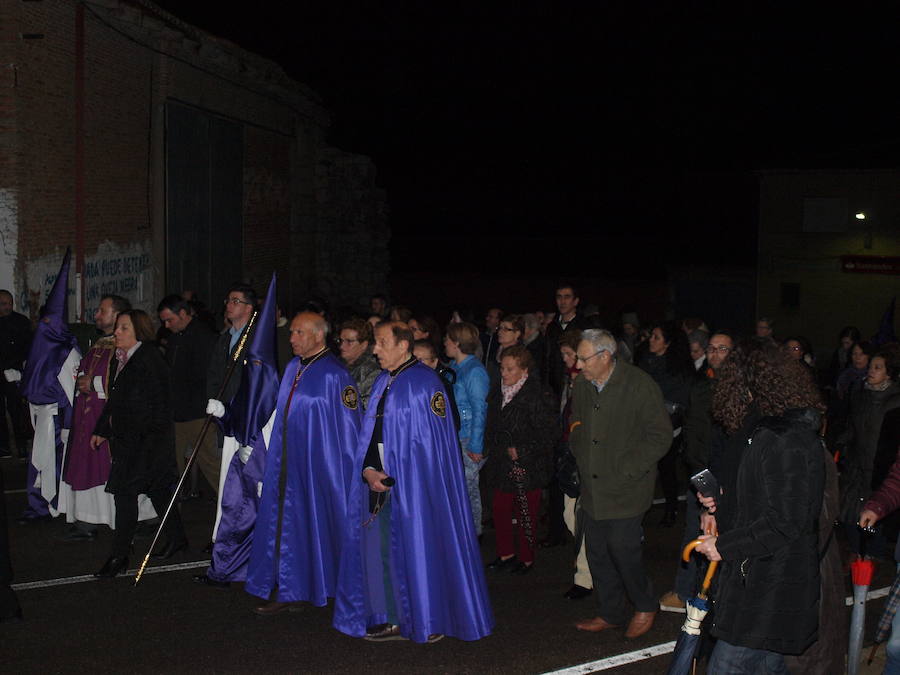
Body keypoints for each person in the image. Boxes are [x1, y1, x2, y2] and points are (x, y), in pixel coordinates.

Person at [333, 321, 494, 643]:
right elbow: (371, 433)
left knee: (422, 547)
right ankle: (392, 617)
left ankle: (430, 618)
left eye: (381, 342)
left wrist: (398, 477)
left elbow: (431, 448)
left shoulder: (424, 384)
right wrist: (367, 469)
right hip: (379, 482)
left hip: (418, 488)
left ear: (403, 346)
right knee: (382, 552)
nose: (375, 349)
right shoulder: (383, 381)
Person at [694, 339, 826, 672]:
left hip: (771, 584)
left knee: (728, 666)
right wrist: (718, 508)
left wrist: (723, 545)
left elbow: (785, 521)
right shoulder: (765, 432)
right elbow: (757, 500)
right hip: (759, 578)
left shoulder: (785, 439)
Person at [244, 312, 361, 615]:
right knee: (285, 524)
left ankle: (331, 586)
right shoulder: (294, 366)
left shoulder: (336, 375)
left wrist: (344, 473)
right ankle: (290, 588)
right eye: (292, 332)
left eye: (299, 333)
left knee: (319, 524)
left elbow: (349, 429)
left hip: (320, 468)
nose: (292, 338)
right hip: (287, 463)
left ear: (319, 336)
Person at [570, 329, 671, 639]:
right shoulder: (582, 384)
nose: (577, 365)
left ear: (604, 356)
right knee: (597, 554)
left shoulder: (639, 385)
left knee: (623, 552)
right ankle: (611, 612)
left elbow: (660, 435)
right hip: (592, 489)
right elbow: (575, 423)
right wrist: (580, 452)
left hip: (626, 489)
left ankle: (645, 603)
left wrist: (628, 469)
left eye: (583, 358)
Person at [91, 310, 188, 578]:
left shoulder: (149, 359)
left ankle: (119, 555)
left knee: (125, 495)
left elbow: (159, 405)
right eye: (117, 328)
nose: (117, 333)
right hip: (129, 440)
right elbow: (115, 399)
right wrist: (101, 429)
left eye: (123, 328)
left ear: (138, 331)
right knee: (157, 491)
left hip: (146, 442)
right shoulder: (120, 359)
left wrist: (146, 440)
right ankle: (177, 538)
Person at [659, 330, 735, 612]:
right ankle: (686, 591)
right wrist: (696, 469)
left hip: (723, 474)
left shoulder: (738, 391)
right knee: (696, 532)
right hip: (702, 472)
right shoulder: (701, 385)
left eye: (722, 349)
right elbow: (692, 431)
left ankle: (708, 595)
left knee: (718, 533)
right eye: (712, 349)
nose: (715, 354)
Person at [59, 294, 143, 540]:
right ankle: (89, 519)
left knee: (114, 470)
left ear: (117, 315)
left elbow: (127, 381)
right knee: (88, 467)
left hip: (112, 422)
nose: (96, 315)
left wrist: (92, 384)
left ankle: (138, 520)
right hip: (89, 418)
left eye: (102, 311)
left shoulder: (128, 346)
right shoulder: (99, 344)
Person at [483, 345, 557, 575]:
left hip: (526, 464)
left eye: (510, 369)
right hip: (500, 461)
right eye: (502, 368)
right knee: (500, 509)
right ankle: (506, 554)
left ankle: (526, 558)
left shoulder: (537, 395)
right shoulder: (498, 390)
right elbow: (491, 423)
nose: (504, 373)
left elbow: (550, 433)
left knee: (525, 512)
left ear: (524, 370)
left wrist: (523, 450)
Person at [839, 348, 900, 556]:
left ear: (889, 372)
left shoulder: (895, 402)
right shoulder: (859, 396)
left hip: (881, 468)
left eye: (878, 367)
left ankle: (875, 558)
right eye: (871, 367)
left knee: (878, 522)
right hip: (856, 468)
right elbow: (850, 429)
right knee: (852, 515)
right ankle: (860, 556)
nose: (871, 371)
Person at [158, 295, 219, 500]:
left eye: (170, 320)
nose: (166, 326)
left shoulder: (203, 337)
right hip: (178, 413)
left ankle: (235, 510)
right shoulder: (176, 338)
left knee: (210, 463)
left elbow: (207, 376)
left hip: (197, 412)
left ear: (183, 314)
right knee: (173, 464)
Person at [637, 321, 693, 527]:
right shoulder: (645, 362)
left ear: (667, 343)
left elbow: (679, 402)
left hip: (668, 428)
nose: (651, 340)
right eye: (652, 336)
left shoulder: (678, 368)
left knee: (667, 468)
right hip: (643, 426)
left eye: (657, 337)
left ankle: (671, 509)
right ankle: (640, 511)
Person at [443, 322, 490, 537]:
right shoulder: (453, 367)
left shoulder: (475, 371)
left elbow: (480, 410)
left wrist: (476, 445)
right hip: (454, 435)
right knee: (457, 488)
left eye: (448, 339)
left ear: (457, 343)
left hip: (468, 436)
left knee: (469, 489)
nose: (444, 342)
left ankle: (474, 533)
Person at [0, 290, 32, 459]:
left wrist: (19, 369)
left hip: (14, 373)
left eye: (9, 303)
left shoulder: (21, 322)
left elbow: (28, 348)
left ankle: (21, 446)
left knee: (16, 410)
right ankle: (3, 446)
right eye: (3, 304)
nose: (7, 307)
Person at [412, 338, 460, 431]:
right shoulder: (406, 384)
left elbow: (453, 422)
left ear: (434, 362)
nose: (416, 365)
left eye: (421, 360)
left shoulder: (440, 386)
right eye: (413, 360)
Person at [337, 318, 380, 410]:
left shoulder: (372, 372)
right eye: (340, 340)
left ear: (364, 345)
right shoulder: (335, 365)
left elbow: (366, 407)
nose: (341, 346)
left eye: (349, 341)